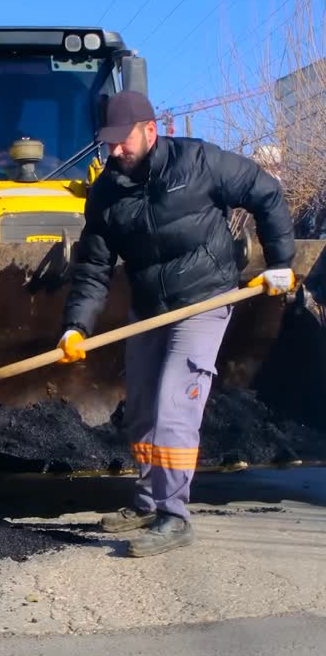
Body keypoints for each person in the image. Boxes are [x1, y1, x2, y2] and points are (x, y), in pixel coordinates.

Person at [57, 90, 295, 557]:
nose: (115, 152)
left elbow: (264, 192)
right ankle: (148, 503)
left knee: (173, 407)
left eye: (122, 141)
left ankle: (174, 515)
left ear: (151, 131)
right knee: (143, 410)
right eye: (108, 144)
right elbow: (93, 268)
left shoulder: (199, 162)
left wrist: (280, 260)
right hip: (148, 310)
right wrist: (76, 327)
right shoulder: (107, 192)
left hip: (204, 300)